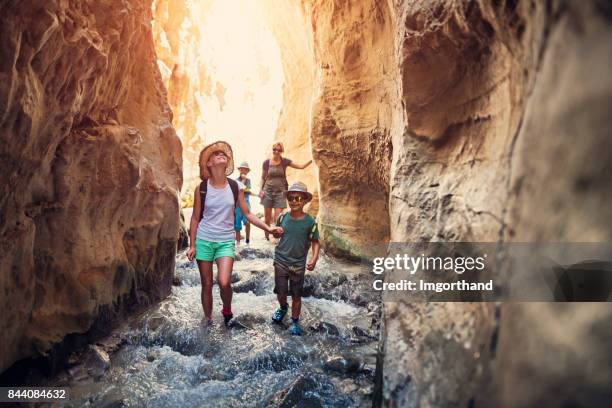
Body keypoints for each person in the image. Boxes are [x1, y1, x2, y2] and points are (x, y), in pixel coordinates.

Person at [187, 141, 282, 326]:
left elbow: (247, 213)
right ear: (209, 164)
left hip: (225, 241)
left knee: (224, 281)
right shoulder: (202, 187)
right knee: (206, 284)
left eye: (223, 154)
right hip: (204, 239)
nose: (221, 155)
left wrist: (268, 228)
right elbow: (195, 218)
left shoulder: (235, 186)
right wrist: (192, 244)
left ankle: (227, 309)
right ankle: (207, 320)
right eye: (216, 154)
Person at [271, 181, 320, 335]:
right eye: (291, 198)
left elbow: (315, 242)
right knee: (281, 291)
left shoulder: (310, 222)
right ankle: (283, 307)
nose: (294, 201)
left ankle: (295, 321)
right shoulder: (282, 217)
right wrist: (274, 233)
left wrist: (314, 259)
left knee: (297, 295)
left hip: (298, 264)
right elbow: (275, 234)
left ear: (305, 200)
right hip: (280, 260)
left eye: (298, 198)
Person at [259, 142, 313, 240]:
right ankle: (266, 237)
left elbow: (301, 166)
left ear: (281, 151)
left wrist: (313, 158)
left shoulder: (284, 162)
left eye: (279, 150)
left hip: (280, 193)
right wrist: (260, 190)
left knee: (278, 218)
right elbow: (262, 178)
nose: (276, 151)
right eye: (274, 149)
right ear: (272, 150)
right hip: (268, 192)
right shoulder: (266, 163)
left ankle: (277, 239)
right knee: (267, 218)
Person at [234, 162, 252, 244]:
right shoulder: (236, 181)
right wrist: (243, 181)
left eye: (245, 169)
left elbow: (246, 190)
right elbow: (238, 190)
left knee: (247, 222)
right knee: (237, 225)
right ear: (239, 170)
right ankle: (238, 243)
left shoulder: (248, 181)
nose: (243, 171)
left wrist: (244, 181)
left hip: (246, 203)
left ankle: (247, 240)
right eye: (242, 169)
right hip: (237, 205)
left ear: (247, 171)